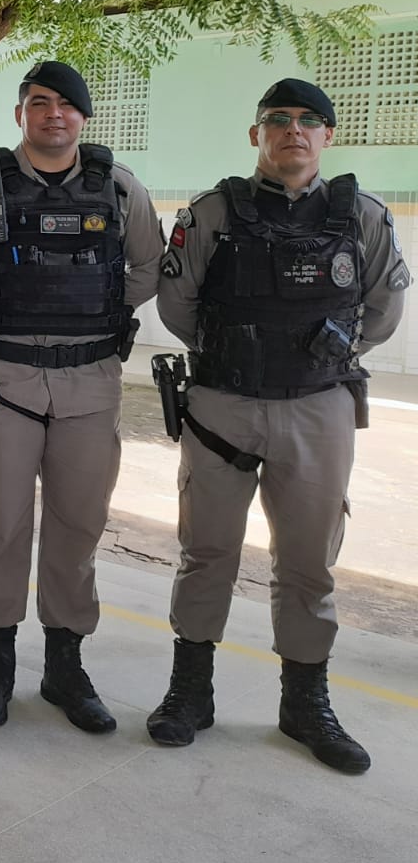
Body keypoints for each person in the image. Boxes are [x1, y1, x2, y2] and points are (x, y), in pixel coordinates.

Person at [149, 78, 407, 774]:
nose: (293, 130)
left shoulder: (366, 218)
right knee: (206, 551)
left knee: (308, 561)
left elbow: (381, 311)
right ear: (257, 135)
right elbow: (178, 305)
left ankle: (305, 704)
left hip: (317, 407)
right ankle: (190, 693)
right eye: (277, 120)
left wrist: (317, 356)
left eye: (308, 121)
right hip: (222, 405)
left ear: (328, 135)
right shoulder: (212, 212)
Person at [0, 61, 163, 734]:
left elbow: (149, 267)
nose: (54, 115)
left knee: (77, 525)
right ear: (21, 115)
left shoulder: (121, 188)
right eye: (40, 103)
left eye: (67, 105)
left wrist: (99, 305)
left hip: (91, 383)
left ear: (84, 118)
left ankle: (65, 665)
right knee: (0, 523)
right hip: (7, 379)